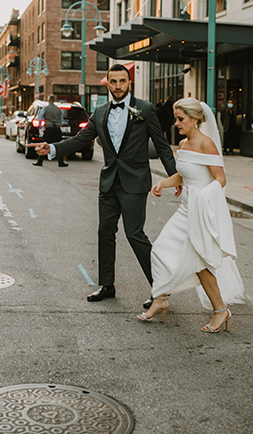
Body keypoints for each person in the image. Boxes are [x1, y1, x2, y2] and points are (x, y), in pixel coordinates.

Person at [35, 64, 177, 304]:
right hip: (109, 183)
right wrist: (54, 148)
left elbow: (162, 146)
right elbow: (81, 139)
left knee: (135, 235)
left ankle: (161, 287)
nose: (118, 86)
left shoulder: (145, 109)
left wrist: (175, 176)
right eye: (114, 82)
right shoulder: (100, 112)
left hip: (135, 182)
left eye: (123, 81)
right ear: (107, 83)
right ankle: (107, 285)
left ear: (129, 82)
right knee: (104, 232)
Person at [137, 98, 244, 332]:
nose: (176, 123)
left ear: (195, 120)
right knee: (160, 250)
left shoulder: (207, 145)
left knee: (200, 263)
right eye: (176, 119)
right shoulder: (183, 145)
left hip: (201, 209)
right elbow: (183, 175)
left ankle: (220, 311)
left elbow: (220, 179)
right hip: (185, 210)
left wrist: (201, 197)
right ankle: (161, 297)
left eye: (180, 119)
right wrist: (163, 183)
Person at [33, 95, 67, 168]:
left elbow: (40, 118)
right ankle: (61, 162)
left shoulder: (45, 109)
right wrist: (59, 124)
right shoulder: (59, 109)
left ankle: (40, 161)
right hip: (57, 129)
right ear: (54, 100)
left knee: (44, 145)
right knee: (59, 145)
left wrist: (40, 126)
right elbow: (62, 119)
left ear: (48, 100)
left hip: (49, 128)